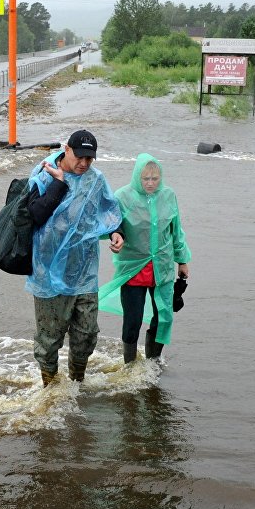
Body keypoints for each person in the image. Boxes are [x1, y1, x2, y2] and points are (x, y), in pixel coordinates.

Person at [26, 129, 124, 386]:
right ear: (66, 149)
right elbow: (35, 215)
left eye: (89, 159)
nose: (83, 164)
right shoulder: (44, 174)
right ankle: (50, 389)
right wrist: (59, 184)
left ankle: (76, 384)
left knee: (87, 334)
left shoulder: (95, 180)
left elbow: (109, 210)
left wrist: (117, 232)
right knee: (49, 338)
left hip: (84, 272)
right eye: (79, 157)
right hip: (49, 274)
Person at [99, 153, 191, 364]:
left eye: (154, 179)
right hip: (133, 267)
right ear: (137, 177)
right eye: (145, 179)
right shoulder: (122, 197)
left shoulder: (168, 196)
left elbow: (176, 231)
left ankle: (153, 362)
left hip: (163, 267)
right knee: (133, 319)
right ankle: (130, 365)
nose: (150, 183)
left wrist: (182, 260)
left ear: (161, 178)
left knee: (163, 317)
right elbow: (110, 225)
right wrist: (116, 238)